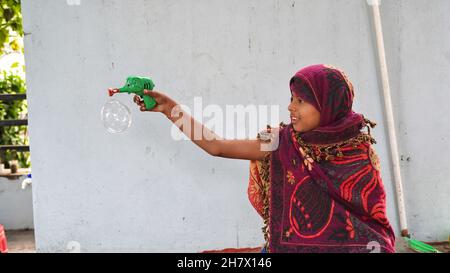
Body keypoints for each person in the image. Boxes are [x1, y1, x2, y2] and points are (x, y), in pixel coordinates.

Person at [133, 64, 396, 253]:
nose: (291, 107)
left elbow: (372, 221)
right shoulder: (281, 141)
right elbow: (216, 146)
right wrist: (169, 108)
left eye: (301, 101)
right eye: (291, 99)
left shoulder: (357, 150)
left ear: (329, 106)